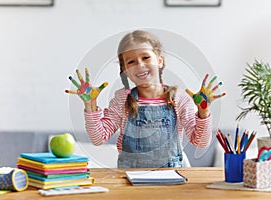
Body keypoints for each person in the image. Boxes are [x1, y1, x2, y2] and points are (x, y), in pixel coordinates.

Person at [66, 30, 225, 168]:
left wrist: (203, 111)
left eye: (146, 57)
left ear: (160, 61)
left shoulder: (179, 98)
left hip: (172, 175)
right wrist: (90, 105)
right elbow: (98, 138)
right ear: (125, 70)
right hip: (130, 177)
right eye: (131, 61)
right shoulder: (122, 99)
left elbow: (200, 142)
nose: (139, 65)